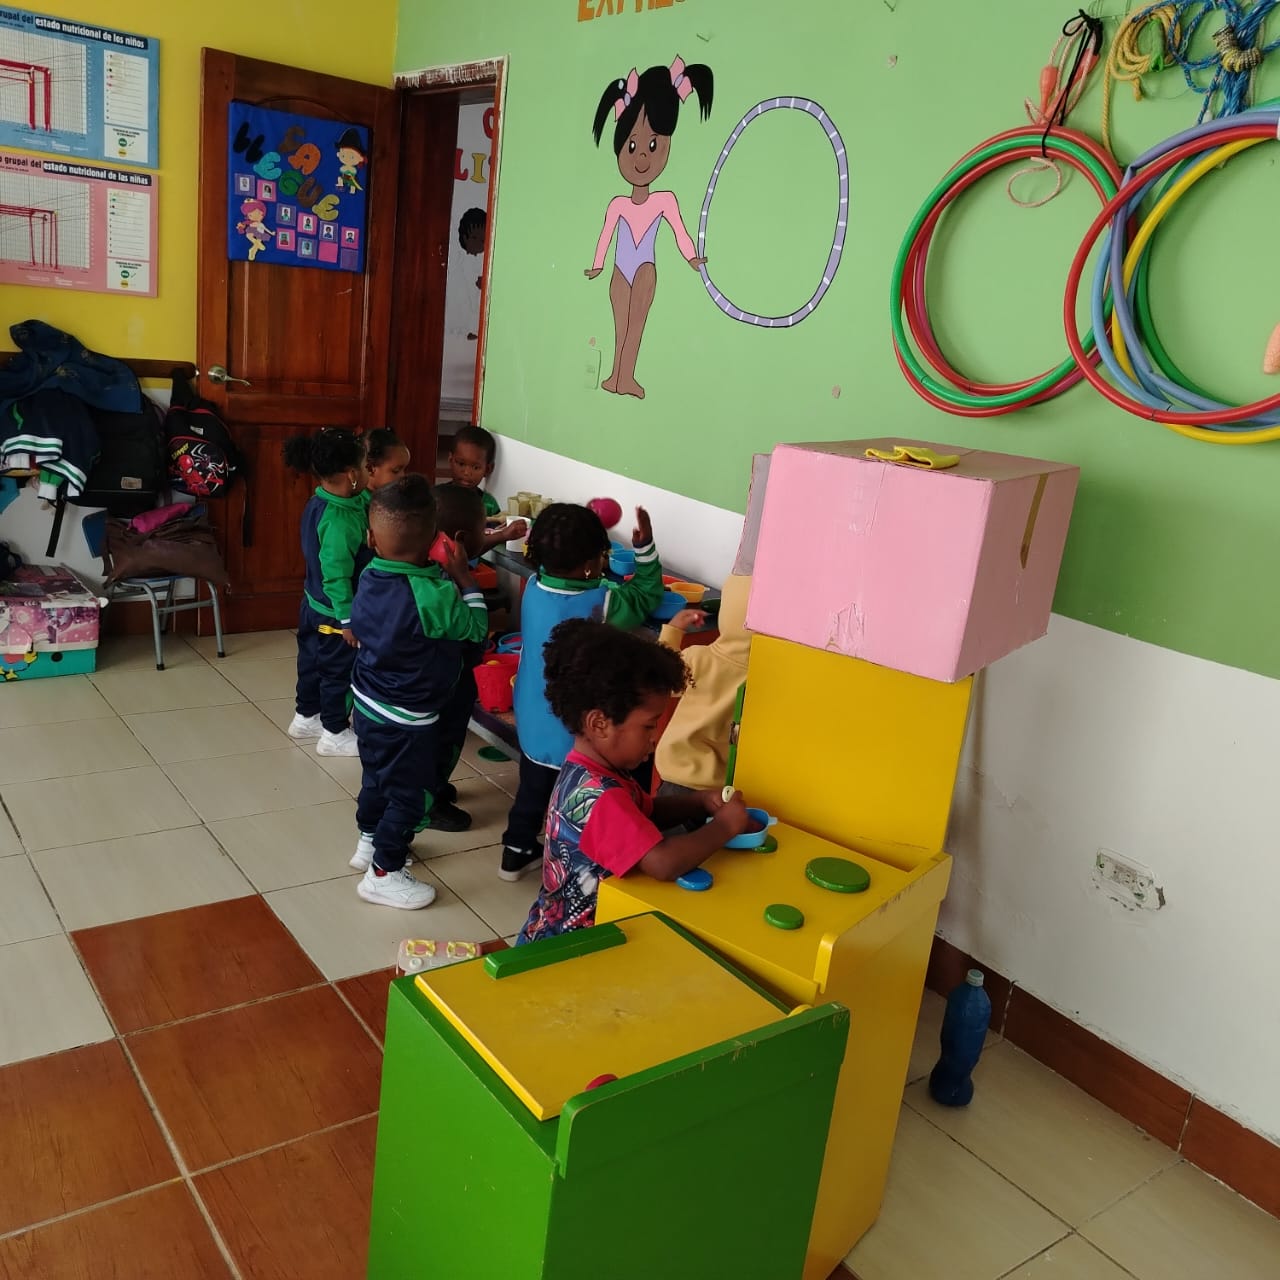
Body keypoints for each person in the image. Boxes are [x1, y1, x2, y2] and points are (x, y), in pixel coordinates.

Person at [517, 618, 750, 943]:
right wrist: (725, 826)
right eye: (648, 726)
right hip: (575, 947)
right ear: (599, 723)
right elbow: (663, 862)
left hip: (556, 927)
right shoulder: (601, 796)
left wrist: (697, 801)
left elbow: (644, 812)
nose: (655, 737)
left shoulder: (590, 770)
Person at [499, 502, 664, 882]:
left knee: (533, 788)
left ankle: (515, 852)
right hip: (572, 729)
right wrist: (645, 549)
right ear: (591, 566)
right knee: (581, 793)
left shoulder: (534, 586)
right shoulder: (600, 605)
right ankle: (598, 854)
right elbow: (646, 595)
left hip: (533, 716)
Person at [348, 475, 489, 908]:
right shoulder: (434, 594)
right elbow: (476, 630)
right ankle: (383, 872)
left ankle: (369, 841)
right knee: (412, 796)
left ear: (371, 538)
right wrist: (464, 577)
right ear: (433, 540)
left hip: (366, 704)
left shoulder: (371, 573)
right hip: (409, 719)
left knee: (376, 778)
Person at [585, 56, 713, 399]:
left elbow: (679, 232)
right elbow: (606, 236)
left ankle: (626, 377)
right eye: (632, 146)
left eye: (653, 145)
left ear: (666, 146)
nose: (642, 157)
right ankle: (616, 376)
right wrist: (597, 265)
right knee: (620, 326)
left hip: (644, 268)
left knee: (636, 325)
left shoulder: (664, 201)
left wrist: (692, 258)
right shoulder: (618, 204)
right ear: (620, 150)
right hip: (619, 271)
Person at [283, 427, 370, 757]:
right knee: (339, 672)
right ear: (351, 474)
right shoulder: (340, 520)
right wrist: (348, 619)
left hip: (313, 604)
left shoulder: (321, 500)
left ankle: (306, 717)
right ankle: (334, 732)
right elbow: (336, 576)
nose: (368, 473)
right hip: (336, 614)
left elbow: (362, 499)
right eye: (365, 467)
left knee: (310, 662)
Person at [654, 572, 753, 795]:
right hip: (723, 786)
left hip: (677, 772)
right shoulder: (770, 677)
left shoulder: (700, 658)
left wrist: (673, 630)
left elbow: (659, 678)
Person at [447, 423, 527, 553]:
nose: (466, 473)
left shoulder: (489, 504)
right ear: (451, 460)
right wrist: (502, 535)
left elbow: (494, 534)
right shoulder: (439, 499)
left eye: (475, 467)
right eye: (461, 464)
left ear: (488, 469)